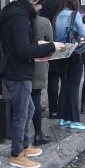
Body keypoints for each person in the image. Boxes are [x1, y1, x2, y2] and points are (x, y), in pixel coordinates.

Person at [0, 0, 61, 168]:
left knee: (29, 109)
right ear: (34, 2)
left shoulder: (15, 12)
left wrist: (38, 46)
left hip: (17, 70)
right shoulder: (20, 18)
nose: (41, 8)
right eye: (40, 4)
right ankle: (17, 153)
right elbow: (22, 50)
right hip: (17, 72)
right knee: (21, 113)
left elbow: (20, 44)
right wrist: (49, 47)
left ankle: (24, 144)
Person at [54, 0, 85, 132]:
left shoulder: (57, 16)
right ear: (74, 3)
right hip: (74, 53)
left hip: (61, 53)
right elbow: (83, 34)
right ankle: (74, 120)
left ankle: (63, 118)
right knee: (74, 86)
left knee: (65, 85)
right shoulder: (75, 15)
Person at [39, 0, 63, 119]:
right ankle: (54, 110)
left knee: (37, 75)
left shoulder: (41, 0)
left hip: (38, 40)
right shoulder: (59, 2)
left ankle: (37, 104)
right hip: (54, 41)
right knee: (54, 76)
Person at [31, 13, 54, 145]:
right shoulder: (44, 21)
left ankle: (14, 133)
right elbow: (51, 42)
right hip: (38, 62)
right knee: (35, 98)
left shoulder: (17, 20)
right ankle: (38, 133)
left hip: (19, 65)